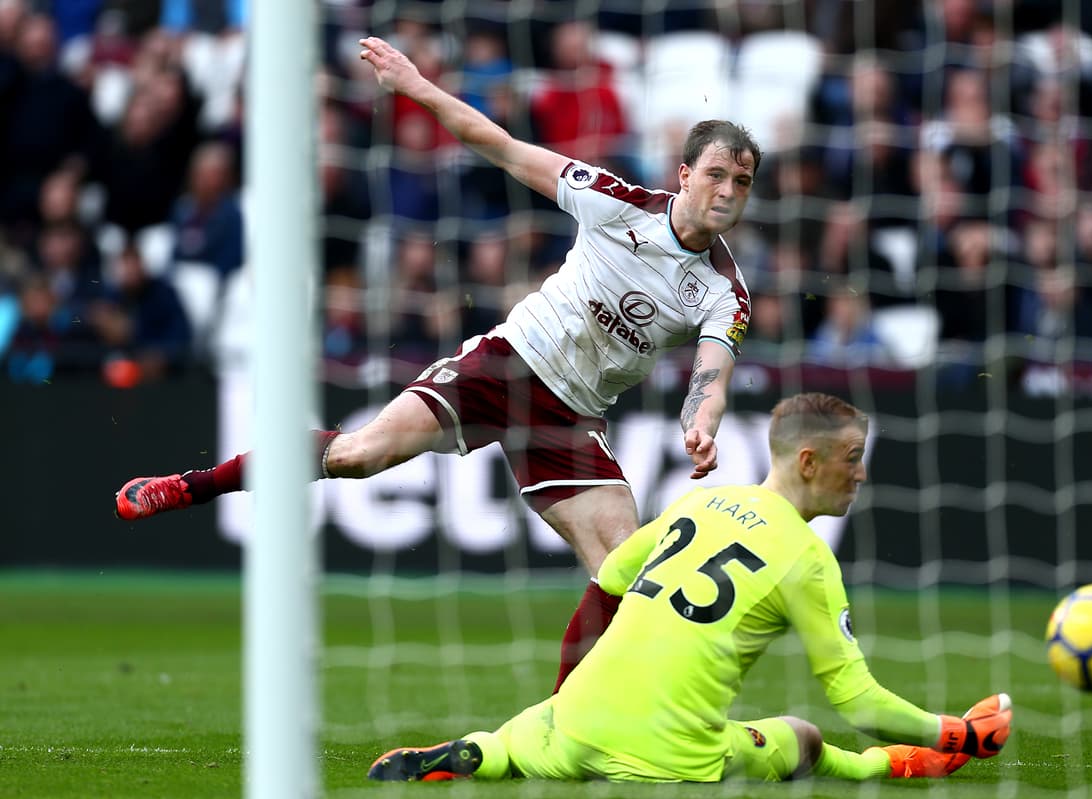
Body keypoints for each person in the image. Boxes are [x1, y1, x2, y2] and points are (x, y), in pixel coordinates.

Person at [113, 35, 760, 693]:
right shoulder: (614, 201)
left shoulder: (723, 292)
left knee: (624, 565)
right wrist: (415, 84)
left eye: (741, 181)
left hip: (571, 417)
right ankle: (191, 486)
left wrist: (701, 422)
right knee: (360, 456)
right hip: (505, 366)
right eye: (716, 174)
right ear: (683, 174)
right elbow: (501, 147)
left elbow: (712, 375)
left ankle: (563, 726)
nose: (728, 190)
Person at [366, 393, 1013, 784]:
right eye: (852, 458)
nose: (862, 473)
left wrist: (568, 700)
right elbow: (859, 702)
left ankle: (482, 751)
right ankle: (904, 765)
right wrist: (953, 732)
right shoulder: (807, 558)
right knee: (804, 737)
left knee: (515, 739)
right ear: (808, 462)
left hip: (570, 727)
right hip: (672, 756)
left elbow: (606, 587)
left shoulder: (701, 501)